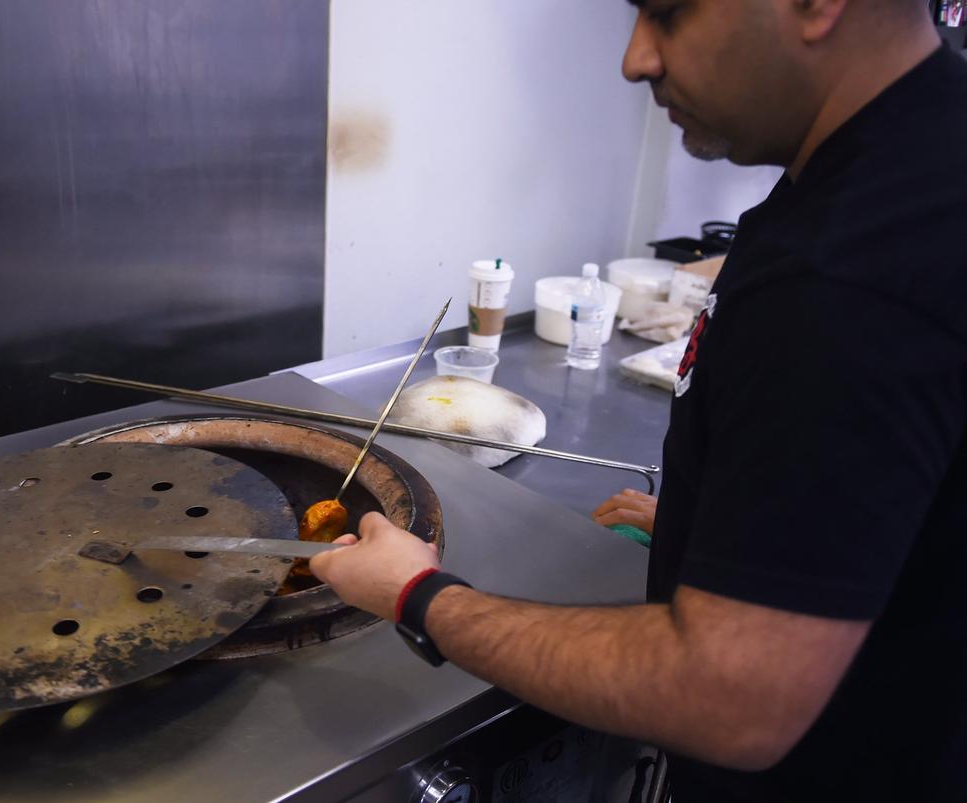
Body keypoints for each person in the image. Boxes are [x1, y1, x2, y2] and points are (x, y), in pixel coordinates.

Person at [311, 0, 967, 800]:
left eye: (667, 12)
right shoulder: (920, 158)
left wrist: (419, 595)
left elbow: (732, 698)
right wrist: (735, 532)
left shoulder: (847, 270)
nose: (635, 59)